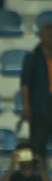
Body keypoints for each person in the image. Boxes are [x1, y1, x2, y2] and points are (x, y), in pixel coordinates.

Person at [20, 21, 52, 164]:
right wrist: (26, 108)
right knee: (38, 149)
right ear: (41, 37)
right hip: (40, 108)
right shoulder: (32, 57)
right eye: (48, 35)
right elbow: (25, 84)